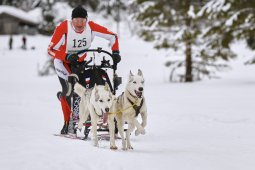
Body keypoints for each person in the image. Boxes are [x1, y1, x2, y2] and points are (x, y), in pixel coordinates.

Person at [47, 5, 121, 135]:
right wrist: (67, 56)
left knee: (83, 91)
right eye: (76, 20)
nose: (79, 24)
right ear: (72, 20)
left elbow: (113, 36)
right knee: (70, 90)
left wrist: (115, 52)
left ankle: (89, 115)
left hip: (79, 63)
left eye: (82, 20)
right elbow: (50, 49)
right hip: (63, 62)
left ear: (86, 20)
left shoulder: (91, 27)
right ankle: (67, 123)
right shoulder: (64, 27)